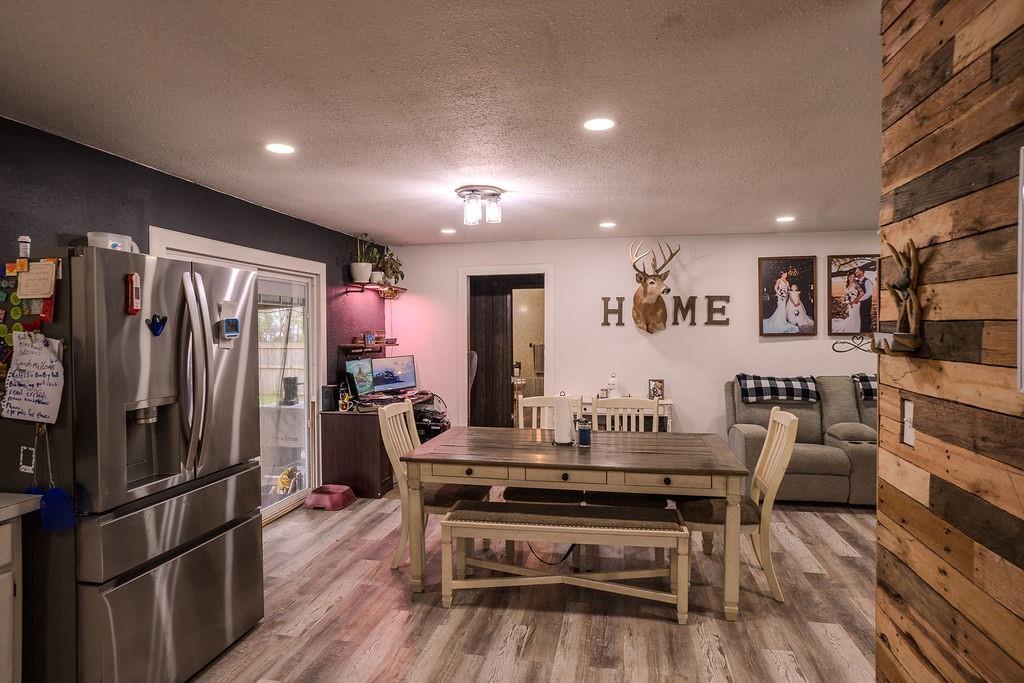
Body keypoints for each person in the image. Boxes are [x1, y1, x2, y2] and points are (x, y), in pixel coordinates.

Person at [855, 266, 874, 333]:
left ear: (862, 272)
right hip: (860, 303)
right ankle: (862, 330)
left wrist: (860, 299)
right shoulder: (857, 281)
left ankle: (866, 331)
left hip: (866, 302)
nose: (856, 273)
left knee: (866, 316)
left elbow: (869, 293)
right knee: (861, 317)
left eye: (858, 271)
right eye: (856, 272)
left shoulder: (867, 281)